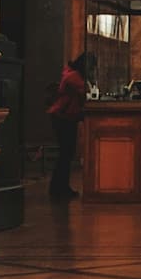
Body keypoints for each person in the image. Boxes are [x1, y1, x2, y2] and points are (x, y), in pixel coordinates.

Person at [47, 53, 88, 200]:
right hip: (63, 117)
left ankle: (60, 187)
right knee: (65, 154)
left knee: (66, 154)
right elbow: (82, 90)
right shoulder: (74, 77)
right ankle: (59, 188)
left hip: (64, 116)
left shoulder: (70, 73)